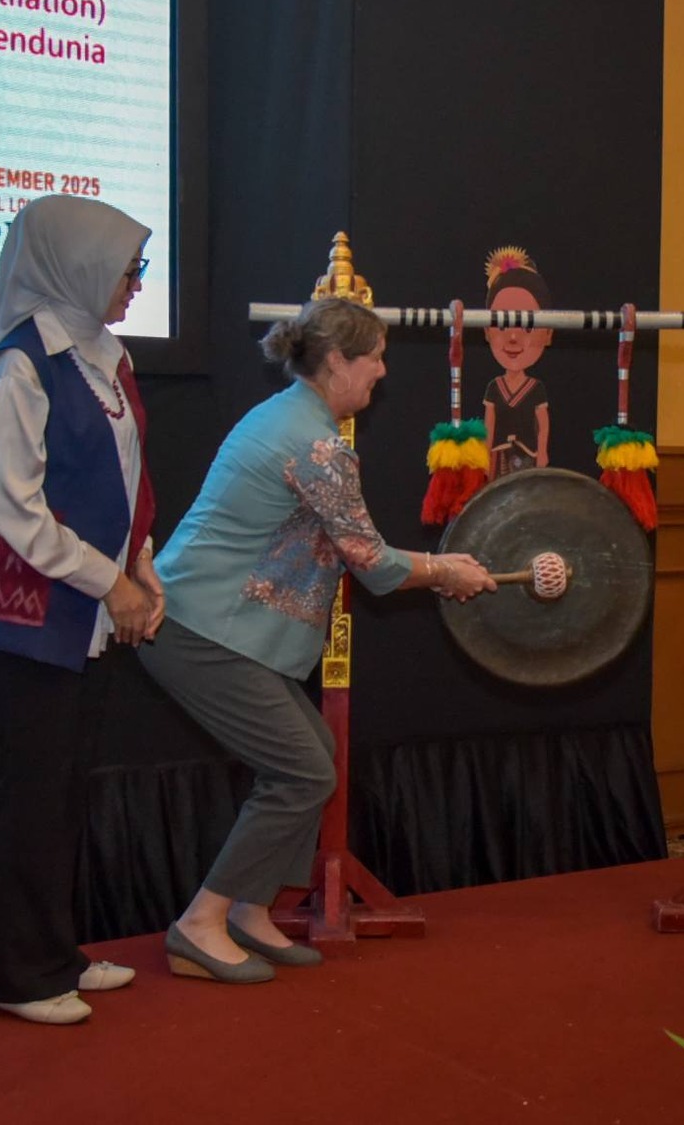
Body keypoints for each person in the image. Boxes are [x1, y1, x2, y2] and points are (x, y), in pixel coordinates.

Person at [139, 297, 495, 980]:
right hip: (198, 627)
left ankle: (249, 909)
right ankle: (200, 921)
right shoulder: (315, 441)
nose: (383, 373)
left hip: (215, 624)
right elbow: (372, 561)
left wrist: (436, 570)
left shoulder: (287, 414)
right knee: (305, 768)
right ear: (337, 360)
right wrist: (446, 568)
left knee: (312, 757)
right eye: (376, 358)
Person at [0, 195, 162, 1026]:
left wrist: (142, 569)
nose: (135, 284)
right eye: (127, 268)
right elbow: (14, 509)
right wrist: (113, 582)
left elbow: (129, 480)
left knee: (68, 787)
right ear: (74, 263)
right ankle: (15, 972)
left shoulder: (110, 355)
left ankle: (54, 950)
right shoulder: (18, 364)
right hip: (31, 607)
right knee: (35, 789)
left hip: (91, 601)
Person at [482, 246, 554, 477]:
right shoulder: (494, 387)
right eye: (503, 324)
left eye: (526, 325)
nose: (513, 338)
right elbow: (489, 425)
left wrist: (542, 452)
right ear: (487, 330)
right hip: (498, 455)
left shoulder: (536, 389)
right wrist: (484, 454)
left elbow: (542, 425)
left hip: (528, 455)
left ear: (548, 333)